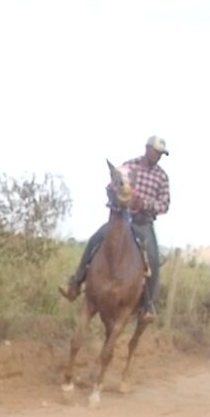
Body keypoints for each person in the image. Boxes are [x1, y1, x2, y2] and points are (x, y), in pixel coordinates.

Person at [58, 136, 171, 321]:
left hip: (143, 222)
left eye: (161, 154)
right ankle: (75, 283)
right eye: (156, 152)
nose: (158, 156)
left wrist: (146, 204)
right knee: (96, 238)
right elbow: (112, 185)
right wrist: (118, 194)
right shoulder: (128, 166)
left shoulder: (161, 176)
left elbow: (165, 204)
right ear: (147, 149)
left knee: (153, 256)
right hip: (124, 218)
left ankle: (147, 305)